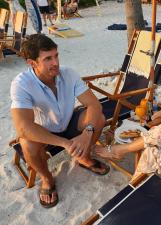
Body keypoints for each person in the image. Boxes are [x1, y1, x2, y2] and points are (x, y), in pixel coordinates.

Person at [10, 34, 109, 208]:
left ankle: (83, 157)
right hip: (44, 132)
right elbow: (23, 127)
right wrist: (64, 143)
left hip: (68, 121)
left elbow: (94, 105)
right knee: (27, 143)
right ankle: (47, 178)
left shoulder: (68, 73)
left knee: (98, 119)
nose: (55, 63)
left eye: (56, 55)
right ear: (32, 63)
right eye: (48, 59)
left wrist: (88, 132)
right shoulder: (22, 84)